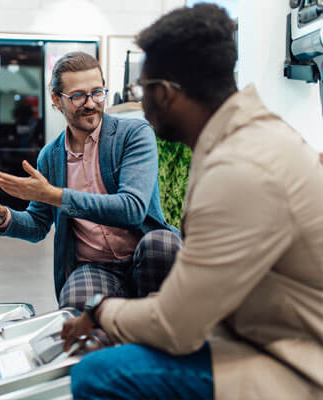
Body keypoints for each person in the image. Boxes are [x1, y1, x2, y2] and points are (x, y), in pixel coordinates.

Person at [62, 4, 323, 400]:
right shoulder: (246, 136)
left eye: (139, 91)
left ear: (164, 95)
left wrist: (100, 311)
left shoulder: (238, 169)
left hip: (295, 363)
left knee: (97, 374)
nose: (137, 103)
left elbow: (175, 326)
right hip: (259, 330)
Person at [0, 51, 179, 310]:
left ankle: (155, 339)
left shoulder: (133, 135)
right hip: (96, 266)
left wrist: (53, 195)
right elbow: (38, 224)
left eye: (97, 92)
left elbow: (132, 209)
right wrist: (1, 214)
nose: (90, 103)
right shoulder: (51, 156)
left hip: (145, 255)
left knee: (163, 245)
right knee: (75, 304)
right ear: (56, 99)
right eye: (78, 96)